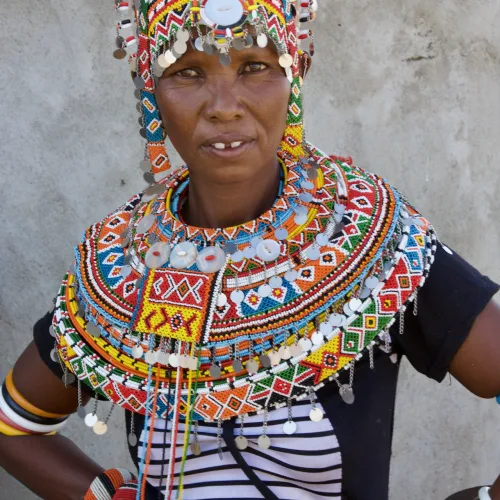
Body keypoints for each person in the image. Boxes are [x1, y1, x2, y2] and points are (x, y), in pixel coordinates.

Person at [0, 1, 499, 499]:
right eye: (187, 71)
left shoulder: (368, 239)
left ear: (295, 72)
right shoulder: (125, 264)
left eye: (255, 67)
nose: (223, 105)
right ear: (150, 88)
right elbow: (12, 429)